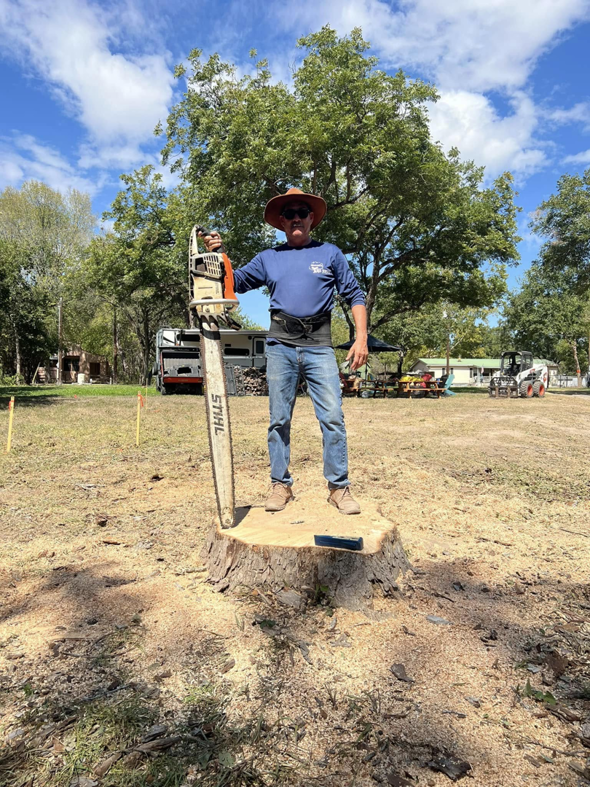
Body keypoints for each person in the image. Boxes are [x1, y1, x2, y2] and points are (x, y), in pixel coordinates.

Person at [200, 187, 368, 514]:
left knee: (333, 417)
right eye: (289, 213)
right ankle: (280, 484)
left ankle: (339, 488)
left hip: (320, 346)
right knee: (279, 419)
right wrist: (217, 255)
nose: (296, 218)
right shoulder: (268, 258)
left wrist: (361, 338)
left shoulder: (330, 253)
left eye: (302, 213)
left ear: (311, 219)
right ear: (281, 221)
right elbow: (232, 282)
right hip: (280, 345)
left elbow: (355, 295)